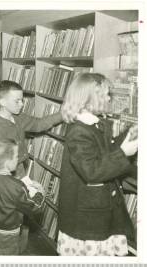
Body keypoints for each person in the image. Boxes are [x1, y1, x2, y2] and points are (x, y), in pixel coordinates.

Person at [57, 72, 138, 256]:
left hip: (97, 209)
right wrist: (124, 153)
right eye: (107, 94)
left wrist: (127, 135)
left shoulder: (94, 124)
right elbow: (91, 171)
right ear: (90, 99)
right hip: (88, 217)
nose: (110, 98)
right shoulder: (79, 131)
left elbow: (104, 151)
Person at [0, 139, 45, 255]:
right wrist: (40, 193)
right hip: (7, 237)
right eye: (16, 157)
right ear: (8, 162)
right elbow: (34, 208)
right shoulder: (17, 186)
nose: (18, 159)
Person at [0, 80, 64, 178]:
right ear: (2, 102)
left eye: (22, 100)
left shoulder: (18, 116)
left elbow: (38, 124)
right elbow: (0, 166)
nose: (22, 104)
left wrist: (63, 114)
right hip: (8, 173)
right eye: (17, 101)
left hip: (20, 168)